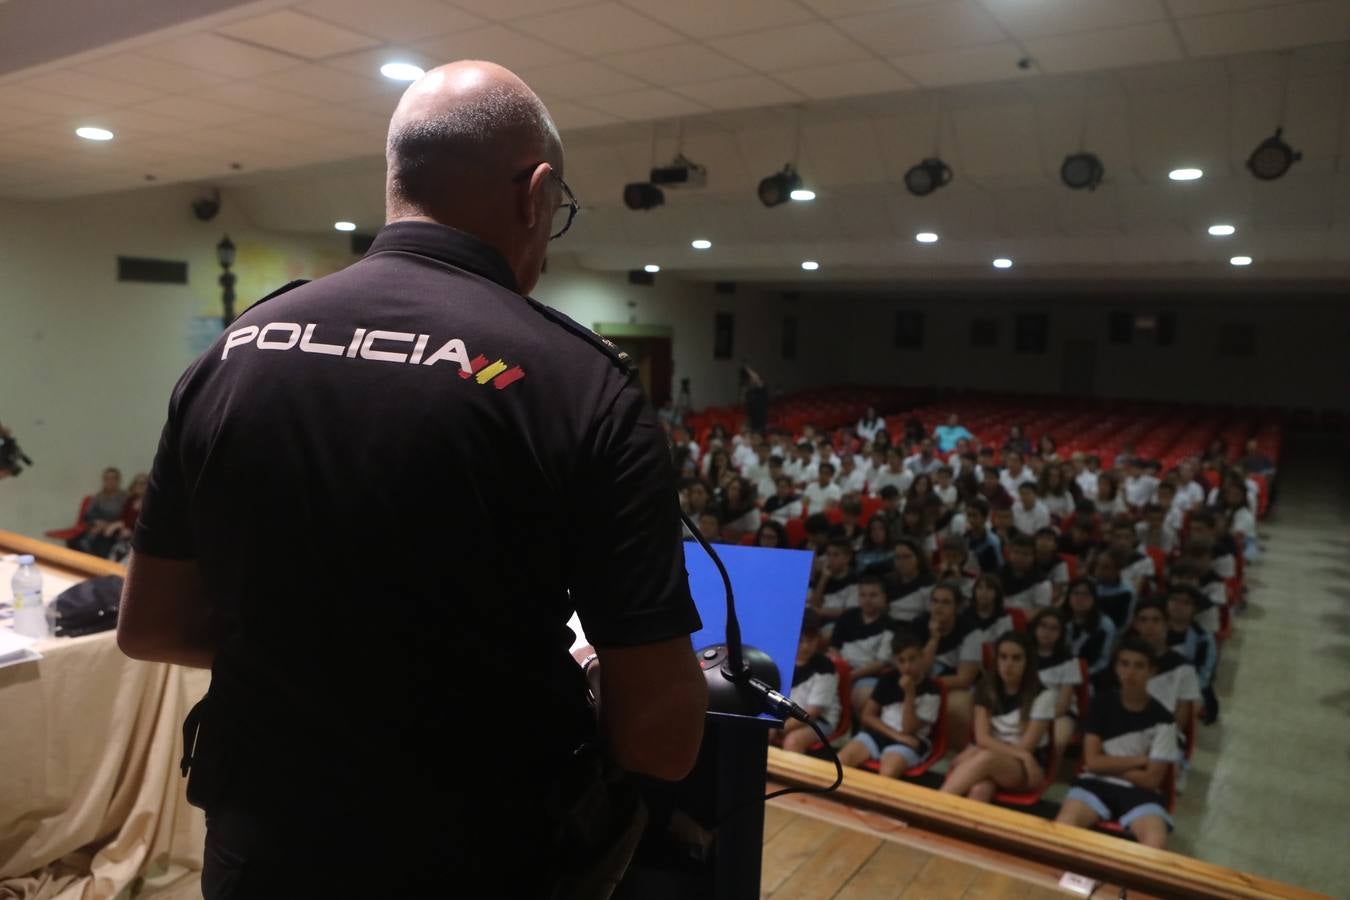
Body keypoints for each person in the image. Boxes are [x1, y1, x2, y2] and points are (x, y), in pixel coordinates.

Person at [116, 61, 709, 897]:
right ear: (537, 195)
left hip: (263, 846)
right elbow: (661, 740)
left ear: (397, 180)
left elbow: (148, 627)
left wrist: (320, 653)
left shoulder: (236, 351)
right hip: (481, 856)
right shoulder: (586, 386)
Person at [1055, 637, 1179, 849]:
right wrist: (1139, 760)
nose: (1130, 672)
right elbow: (1092, 763)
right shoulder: (1100, 703)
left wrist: (1108, 765)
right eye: (1124, 664)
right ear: (1116, 668)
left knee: (1156, 844)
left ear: (1152, 671)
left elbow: (1151, 780)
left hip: (1140, 793)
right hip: (1094, 783)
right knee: (1063, 828)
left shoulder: (1164, 718)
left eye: (1139, 666)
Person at [940, 632, 1055, 801]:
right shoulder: (987, 687)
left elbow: (1025, 748)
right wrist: (981, 748)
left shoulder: (1044, 696)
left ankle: (934, 803)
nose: (1008, 664)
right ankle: (953, 826)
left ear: (1028, 662)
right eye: (1003, 657)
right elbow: (982, 737)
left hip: (1026, 766)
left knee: (985, 758)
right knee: (980, 788)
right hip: (1000, 756)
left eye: (1016, 658)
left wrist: (983, 750)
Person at [836, 632, 942, 776]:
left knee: (888, 771)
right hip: (883, 732)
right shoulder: (888, 678)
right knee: (841, 760)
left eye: (912, 659)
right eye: (901, 661)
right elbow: (867, 716)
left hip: (912, 741)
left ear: (921, 657)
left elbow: (908, 729)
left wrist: (909, 694)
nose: (907, 666)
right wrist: (896, 736)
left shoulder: (932, 689)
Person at [830, 574, 897, 713]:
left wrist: (852, 675)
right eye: (863, 595)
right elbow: (833, 648)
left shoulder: (890, 624)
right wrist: (841, 670)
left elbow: (882, 662)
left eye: (873, 595)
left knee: (863, 695)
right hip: (842, 669)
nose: (867, 600)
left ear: (884, 597)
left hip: (869, 675)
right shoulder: (847, 617)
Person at [777, 610, 841, 754]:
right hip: (786, 717)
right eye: (800, 641)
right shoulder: (781, 661)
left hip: (819, 720)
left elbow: (813, 712)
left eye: (810, 640)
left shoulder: (825, 667)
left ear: (818, 639)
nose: (805, 647)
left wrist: (780, 728)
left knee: (793, 741)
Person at [1029, 607, 1082, 758]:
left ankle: (1048, 774)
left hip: (1059, 714)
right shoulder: (1023, 655)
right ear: (1035, 628)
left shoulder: (1070, 661)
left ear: (1061, 633)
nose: (1047, 632)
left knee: (1058, 738)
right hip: (1025, 708)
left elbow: (1063, 705)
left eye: (1054, 628)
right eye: (1043, 626)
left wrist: (1039, 720)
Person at [1166, 585, 1219, 724]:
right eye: (1174, 600)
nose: (1178, 606)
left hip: (1186, 689)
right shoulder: (1155, 628)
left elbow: (1204, 676)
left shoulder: (1203, 639)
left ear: (1195, 609)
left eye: (1186, 602)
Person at [1065, 577, 1116, 677]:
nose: (1080, 598)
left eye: (1086, 594)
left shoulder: (1105, 625)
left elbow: (1104, 660)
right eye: (1076, 593)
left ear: (1094, 598)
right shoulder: (1060, 619)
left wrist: (1084, 674)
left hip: (1091, 675)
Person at [809, 538, 859, 627]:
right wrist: (823, 579)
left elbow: (851, 611)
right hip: (818, 622)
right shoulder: (822, 575)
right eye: (828, 554)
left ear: (847, 558)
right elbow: (814, 604)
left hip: (842, 623)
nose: (830, 559)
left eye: (835, 555)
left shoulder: (855, 578)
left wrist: (820, 612)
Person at [884, 538, 936, 623]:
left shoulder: (929, 582)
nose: (902, 562)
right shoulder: (888, 581)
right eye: (897, 557)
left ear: (918, 558)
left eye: (907, 557)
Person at [1000, 533, 1053, 613]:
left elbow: (1040, 613)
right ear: (1009, 553)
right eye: (1016, 552)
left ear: (1034, 556)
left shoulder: (1042, 583)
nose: (1020, 557)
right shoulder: (997, 575)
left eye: (1025, 554)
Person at [964, 573, 1014, 654]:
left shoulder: (1004, 618)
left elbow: (1006, 647)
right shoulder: (965, 615)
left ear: (997, 593)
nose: (984, 592)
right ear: (974, 592)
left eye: (989, 588)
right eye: (980, 588)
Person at [1033, 528, 1069, 605]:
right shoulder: (1028, 559)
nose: (1044, 542)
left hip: (1050, 600)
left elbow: (1058, 591)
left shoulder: (1060, 563)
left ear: (1055, 546)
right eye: (1041, 538)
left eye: (1049, 539)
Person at [741, 364, 768, 434]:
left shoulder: (761, 389)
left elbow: (757, 378)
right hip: (752, 421)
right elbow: (746, 404)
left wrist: (748, 369)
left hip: (761, 421)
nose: (752, 380)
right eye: (751, 379)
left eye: (753, 378)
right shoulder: (749, 392)